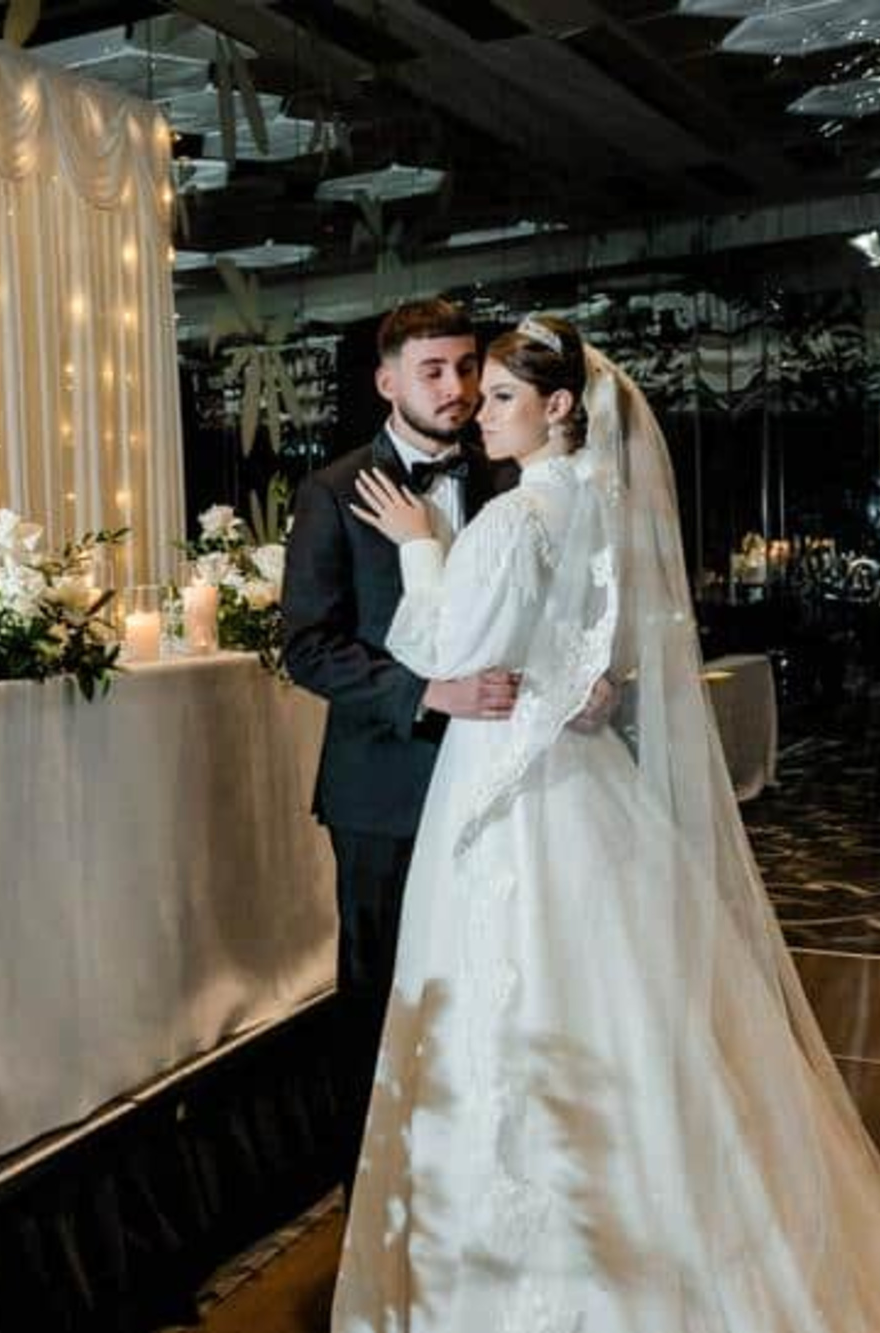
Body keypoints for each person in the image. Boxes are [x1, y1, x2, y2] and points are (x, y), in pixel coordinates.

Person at [331, 314, 880, 1332]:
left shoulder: (513, 519)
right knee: (619, 1013)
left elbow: (440, 644)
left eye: (501, 395)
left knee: (512, 1008)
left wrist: (423, 552)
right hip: (575, 780)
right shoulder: (592, 507)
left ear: (557, 409)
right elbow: (595, 648)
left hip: (507, 790)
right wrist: (580, 687)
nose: (479, 411)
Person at [280, 297, 516, 1196]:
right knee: (381, 990)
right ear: (387, 381)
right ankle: (373, 1185)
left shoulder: (509, 477)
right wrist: (427, 694)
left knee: (487, 973)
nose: (455, 388)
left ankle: (475, 1173)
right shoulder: (334, 492)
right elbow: (307, 644)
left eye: (466, 368)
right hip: (383, 789)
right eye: (433, 370)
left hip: (497, 775)